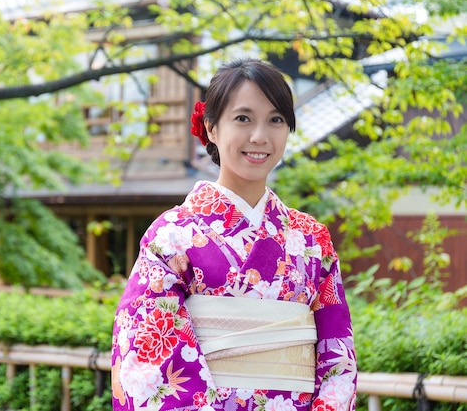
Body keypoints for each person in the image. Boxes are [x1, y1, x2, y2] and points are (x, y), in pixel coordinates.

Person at [111, 58, 357, 411]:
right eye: (243, 118)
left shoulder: (312, 239)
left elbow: (338, 357)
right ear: (211, 127)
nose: (260, 136)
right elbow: (146, 358)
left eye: (276, 120)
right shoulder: (172, 236)